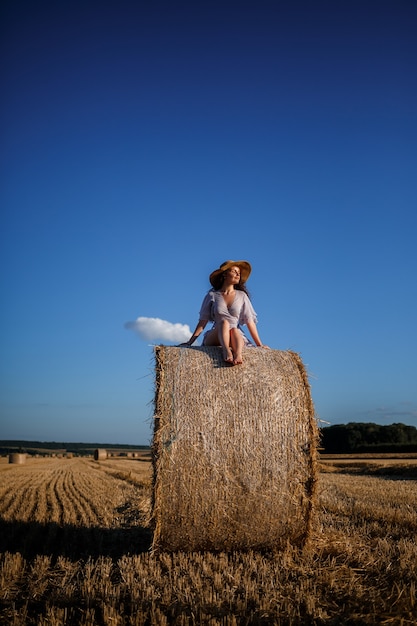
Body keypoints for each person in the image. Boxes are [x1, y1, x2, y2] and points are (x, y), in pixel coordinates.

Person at [181, 260, 269, 365]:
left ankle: (238, 354)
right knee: (224, 323)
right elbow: (202, 322)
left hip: (235, 335)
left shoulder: (242, 296)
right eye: (234, 271)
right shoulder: (212, 295)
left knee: (235, 330)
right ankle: (226, 350)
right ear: (225, 274)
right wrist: (190, 342)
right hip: (216, 335)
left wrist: (259, 344)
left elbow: (250, 321)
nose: (238, 274)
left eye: (239, 273)